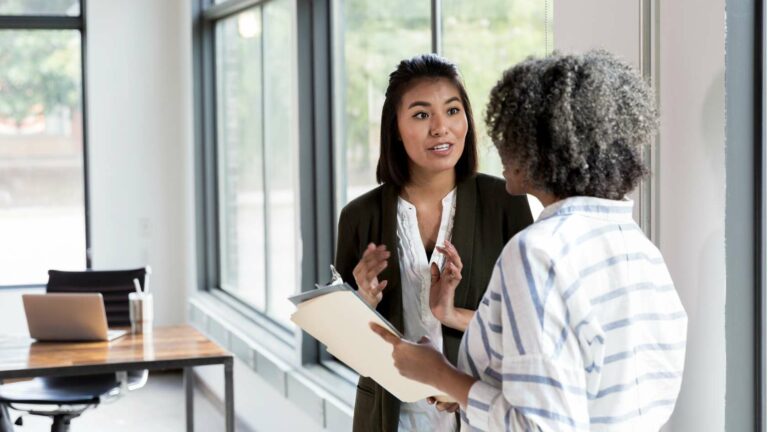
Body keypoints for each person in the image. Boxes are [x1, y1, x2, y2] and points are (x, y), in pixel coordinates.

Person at [372, 50, 687, 431]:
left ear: (543, 148)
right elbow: (583, 385)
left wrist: (439, 373)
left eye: (510, 133)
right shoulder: (641, 251)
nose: (499, 146)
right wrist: (460, 359)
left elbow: (538, 426)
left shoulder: (537, 252)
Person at [334, 54, 533, 432]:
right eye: (422, 115)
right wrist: (362, 305)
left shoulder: (504, 201)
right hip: (393, 419)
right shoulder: (359, 217)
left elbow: (528, 327)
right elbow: (346, 349)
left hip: (482, 411)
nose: (441, 128)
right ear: (395, 128)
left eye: (453, 110)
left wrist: (453, 314)